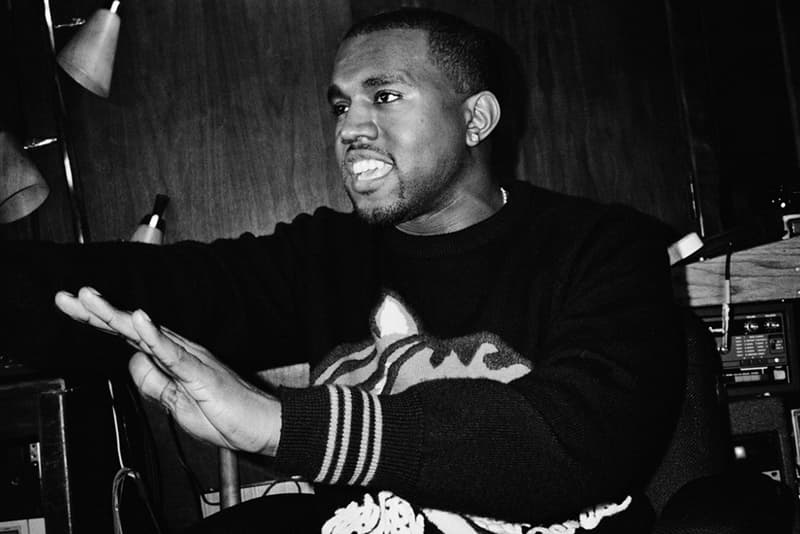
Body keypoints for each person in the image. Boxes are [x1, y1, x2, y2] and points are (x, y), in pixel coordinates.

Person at [0, 7, 684, 534]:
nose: (349, 128)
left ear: (476, 118)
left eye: (383, 96)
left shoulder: (607, 248)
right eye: (340, 105)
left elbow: (572, 442)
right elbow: (168, 286)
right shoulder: (325, 255)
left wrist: (282, 425)